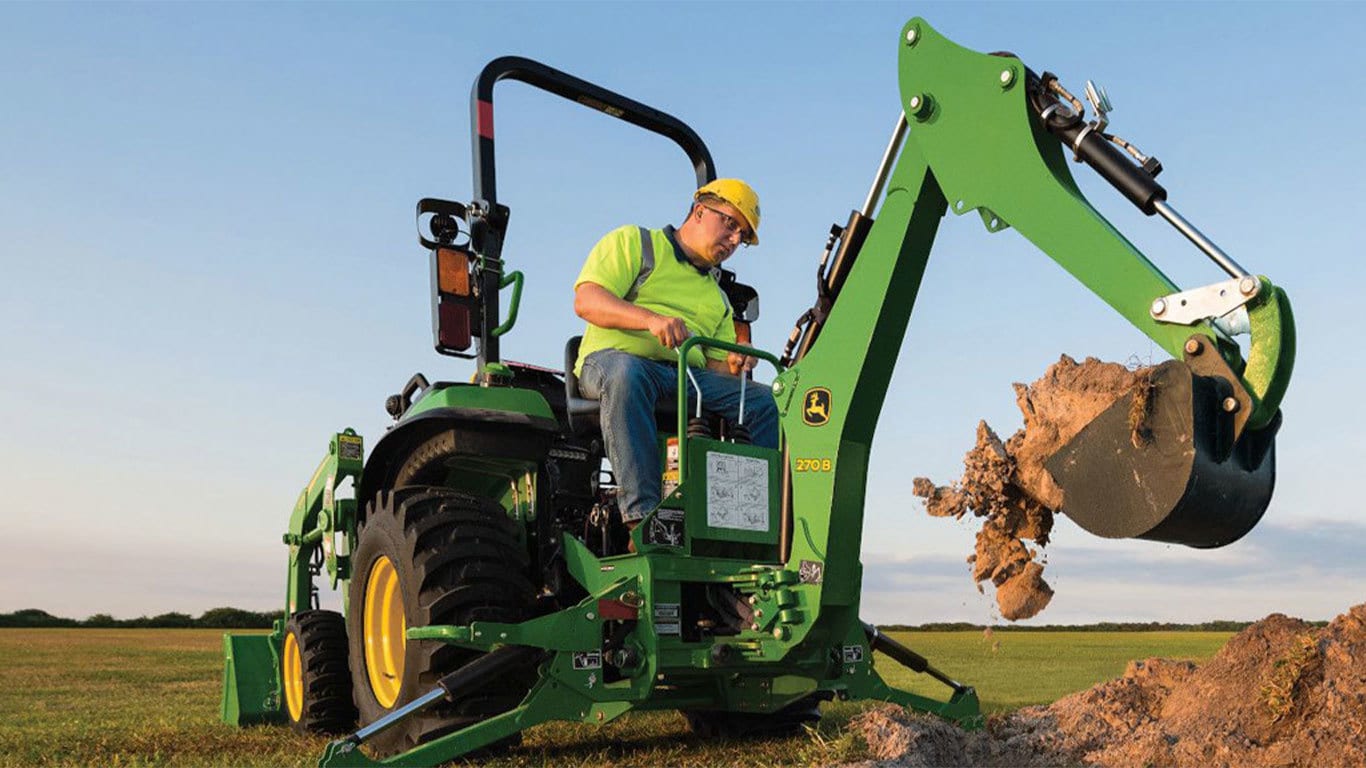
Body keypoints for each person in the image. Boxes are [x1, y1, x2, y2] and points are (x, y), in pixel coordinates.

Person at [572, 178, 780, 532]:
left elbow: (717, 367)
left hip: (683, 378)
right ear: (699, 210)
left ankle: (754, 521)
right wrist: (650, 320)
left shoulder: (718, 298)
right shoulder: (637, 244)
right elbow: (587, 300)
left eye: (741, 236)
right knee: (628, 374)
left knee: (763, 400)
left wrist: (736, 363)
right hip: (611, 362)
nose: (733, 240)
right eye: (730, 224)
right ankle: (643, 520)